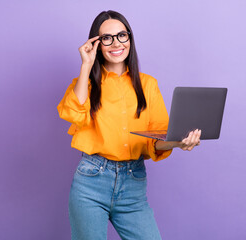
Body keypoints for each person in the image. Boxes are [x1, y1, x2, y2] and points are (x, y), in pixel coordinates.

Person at [57, 10, 201, 240]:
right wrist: (86, 65)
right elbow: (74, 114)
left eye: (122, 35)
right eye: (107, 38)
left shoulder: (148, 84)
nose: (116, 43)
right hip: (91, 181)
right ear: (97, 44)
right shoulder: (86, 84)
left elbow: (157, 140)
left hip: (133, 183)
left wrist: (179, 143)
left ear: (130, 39)